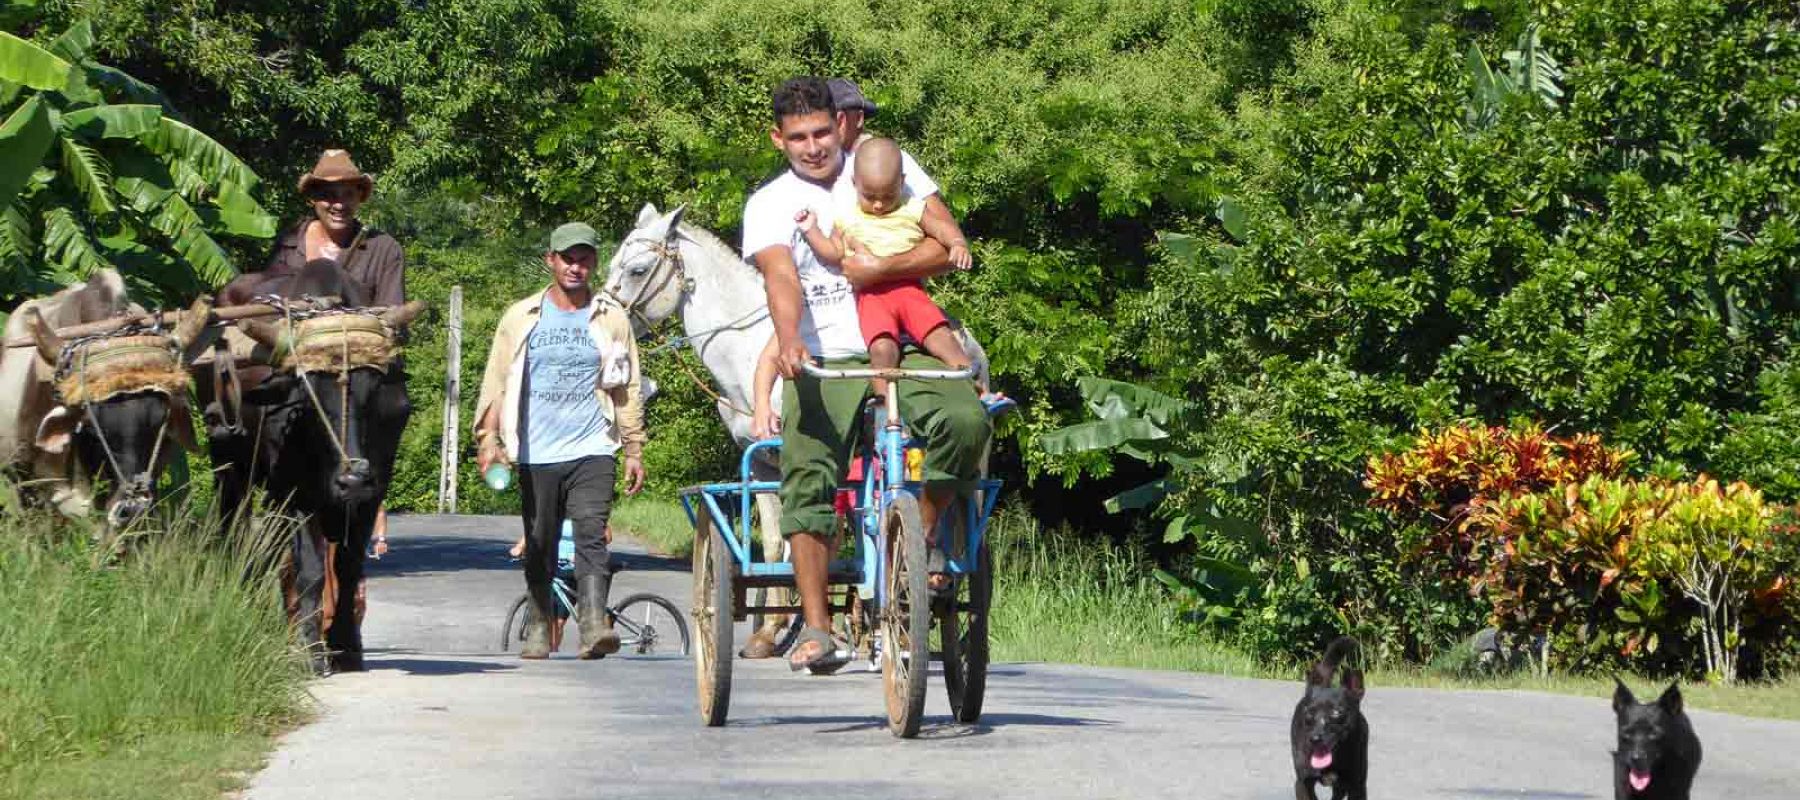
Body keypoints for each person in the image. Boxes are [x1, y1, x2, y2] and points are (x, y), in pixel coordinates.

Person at [742, 77, 991, 674]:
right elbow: (781, 276)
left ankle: (918, 540)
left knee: (966, 421)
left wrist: (880, 267)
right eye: (798, 137)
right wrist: (791, 338)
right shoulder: (769, 203)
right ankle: (818, 628)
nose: (812, 146)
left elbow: (944, 245)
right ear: (779, 139)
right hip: (826, 356)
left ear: (841, 126)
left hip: (906, 343)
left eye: (822, 132)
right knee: (807, 477)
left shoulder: (884, 169)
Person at [474, 222, 648, 661]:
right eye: (567, 258)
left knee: (591, 536)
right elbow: (497, 381)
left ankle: (592, 625)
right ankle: (538, 623)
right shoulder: (521, 317)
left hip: (593, 445)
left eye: (584, 258)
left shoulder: (611, 317)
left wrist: (633, 447)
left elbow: (625, 385)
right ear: (550, 260)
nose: (576, 267)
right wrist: (488, 438)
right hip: (535, 451)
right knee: (539, 540)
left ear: (594, 262)